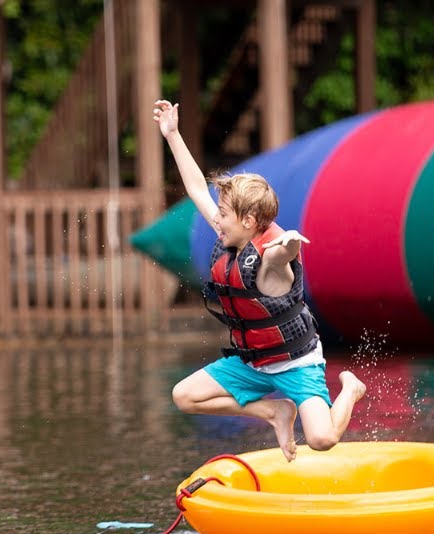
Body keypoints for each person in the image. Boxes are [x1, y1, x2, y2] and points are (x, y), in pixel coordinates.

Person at [152, 99, 365, 461]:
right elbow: (196, 190)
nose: (215, 220)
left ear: (249, 222)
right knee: (183, 396)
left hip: (296, 363)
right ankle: (273, 411)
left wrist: (290, 245)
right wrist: (172, 135)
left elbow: (280, 260)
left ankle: (351, 388)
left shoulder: (268, 262)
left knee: (323, 439)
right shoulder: (229, 233)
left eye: (223, 214)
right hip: (252, 363)